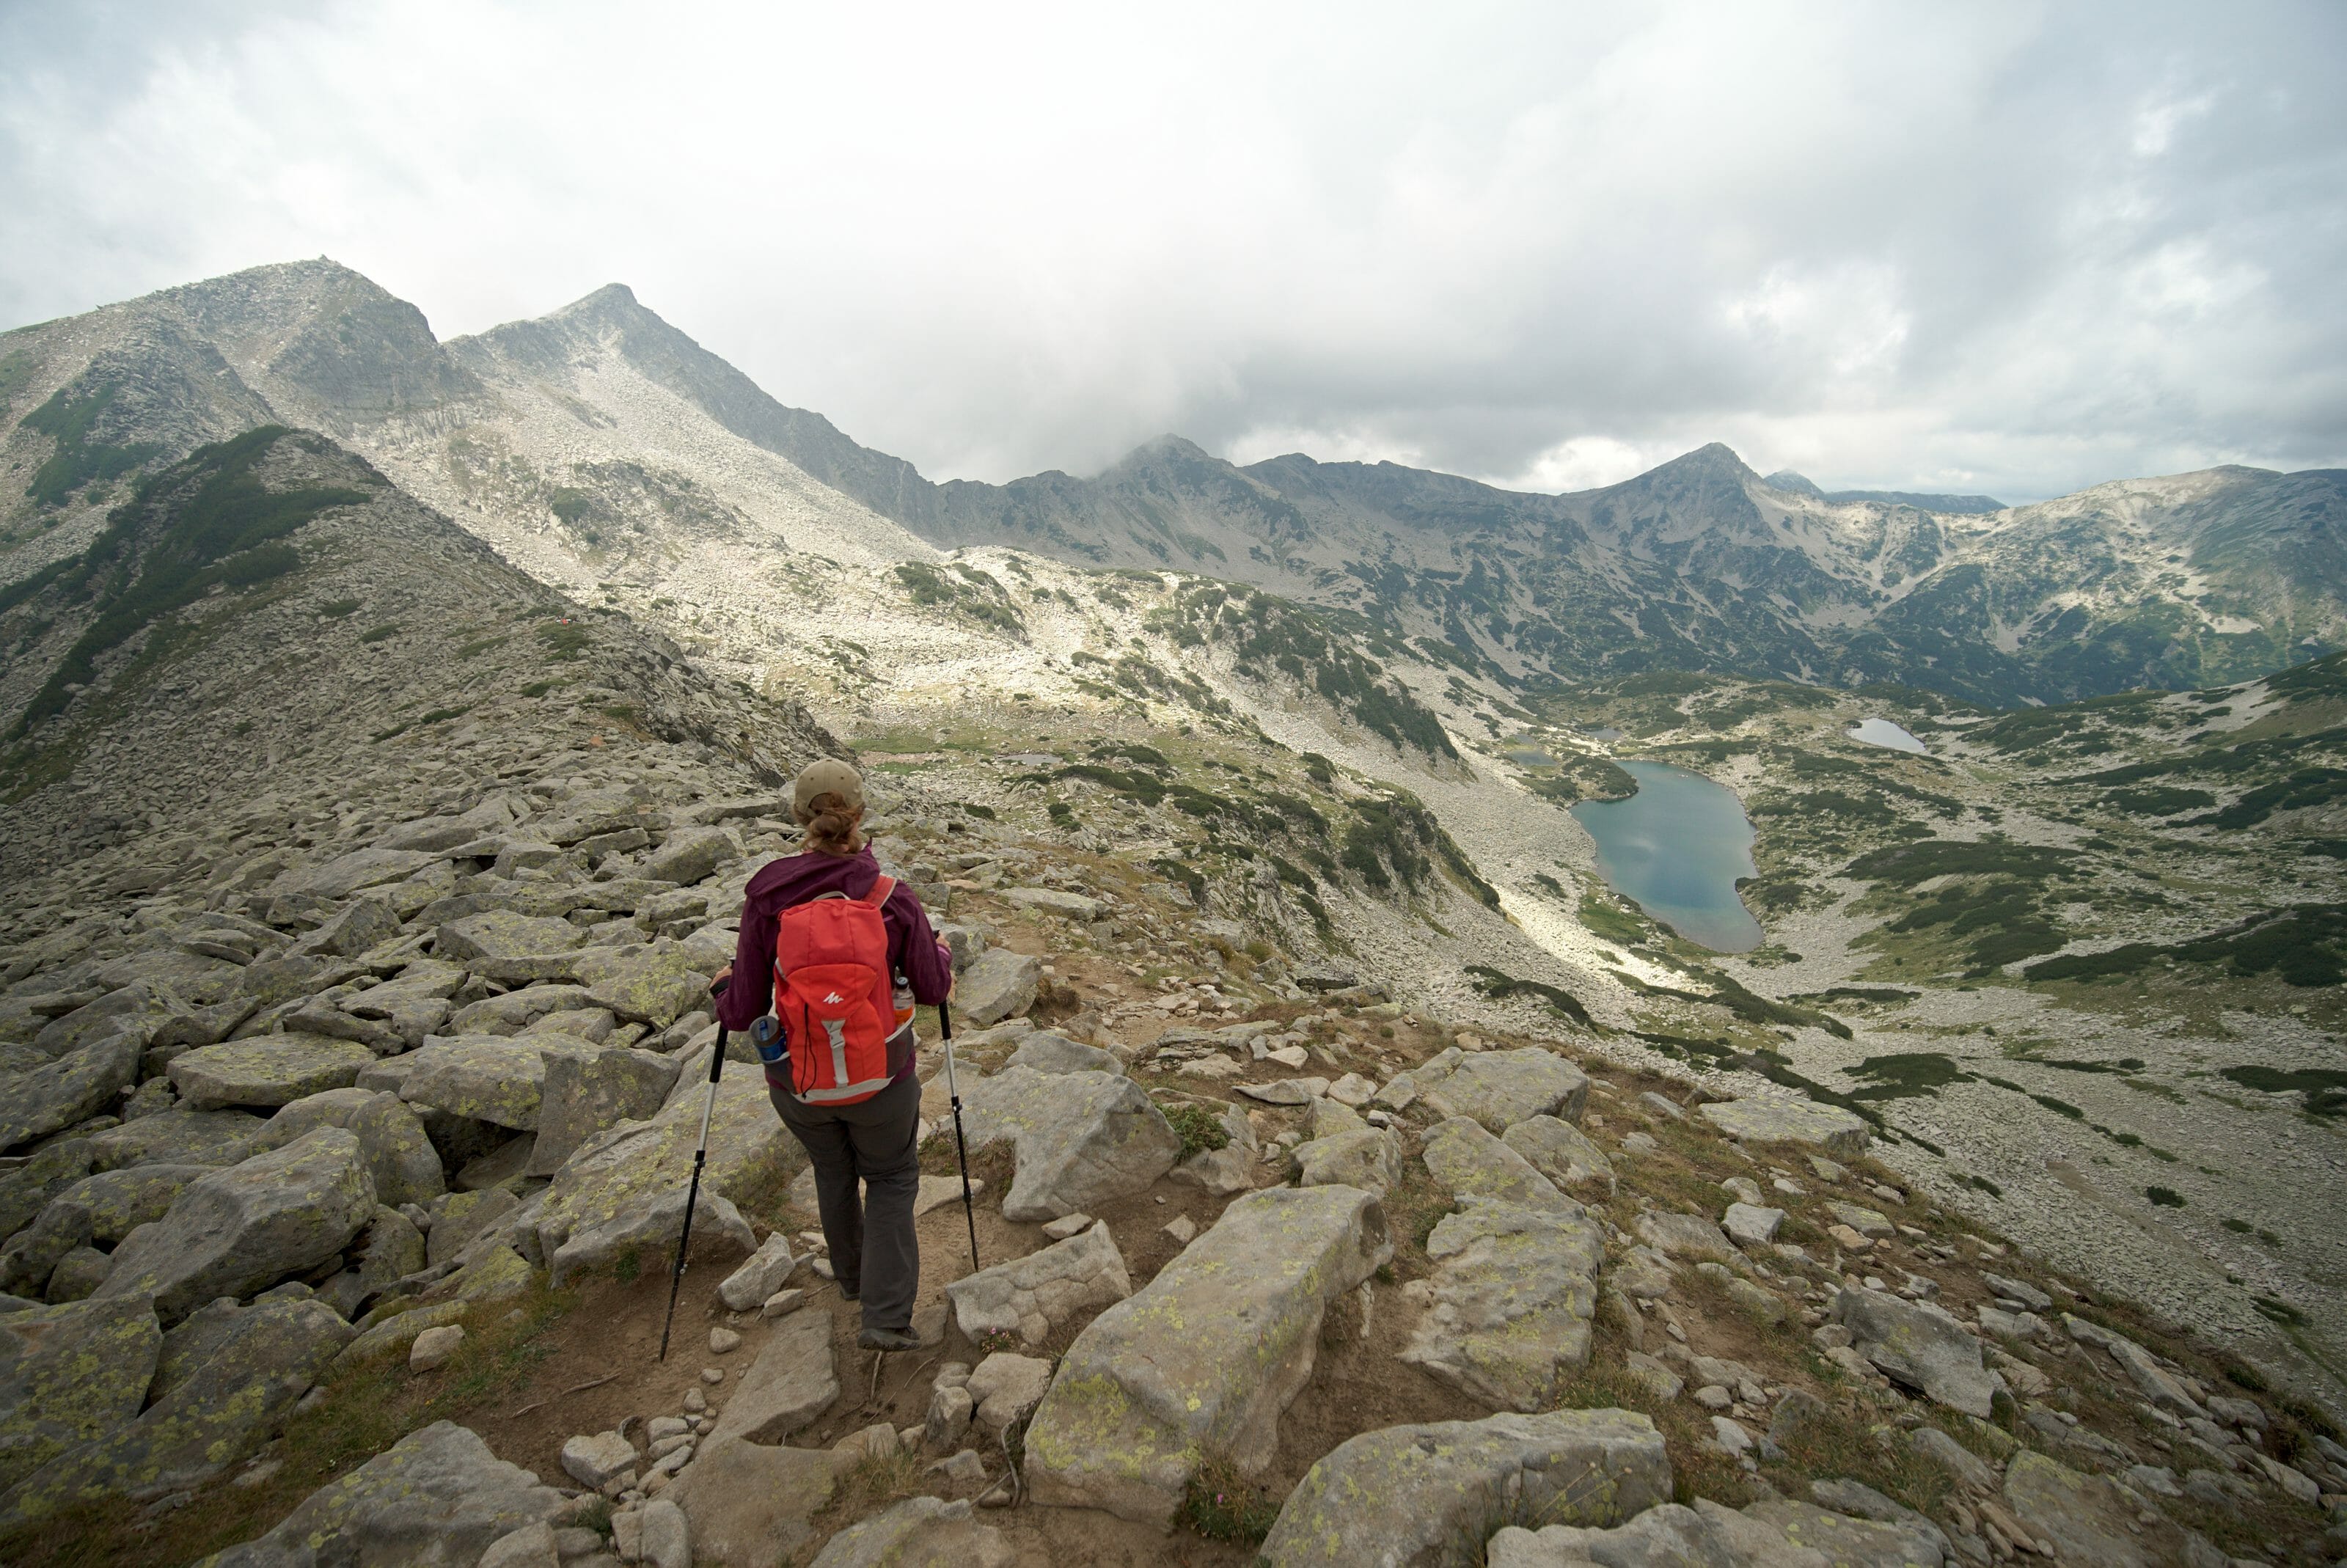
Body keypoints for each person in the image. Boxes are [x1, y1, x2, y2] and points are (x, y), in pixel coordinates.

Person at [709, 758, 952, 1351]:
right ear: (860, 815)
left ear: (799, 816)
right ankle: (886, 1317)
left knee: (833, 1170)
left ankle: (850, 1281)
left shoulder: (767, 896)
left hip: (798, 1081)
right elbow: (933, 990)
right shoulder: (892, 899)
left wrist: (723, 986)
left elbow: (740, 1011)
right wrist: (939, 952)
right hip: (882, 1081)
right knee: (892, 1178)